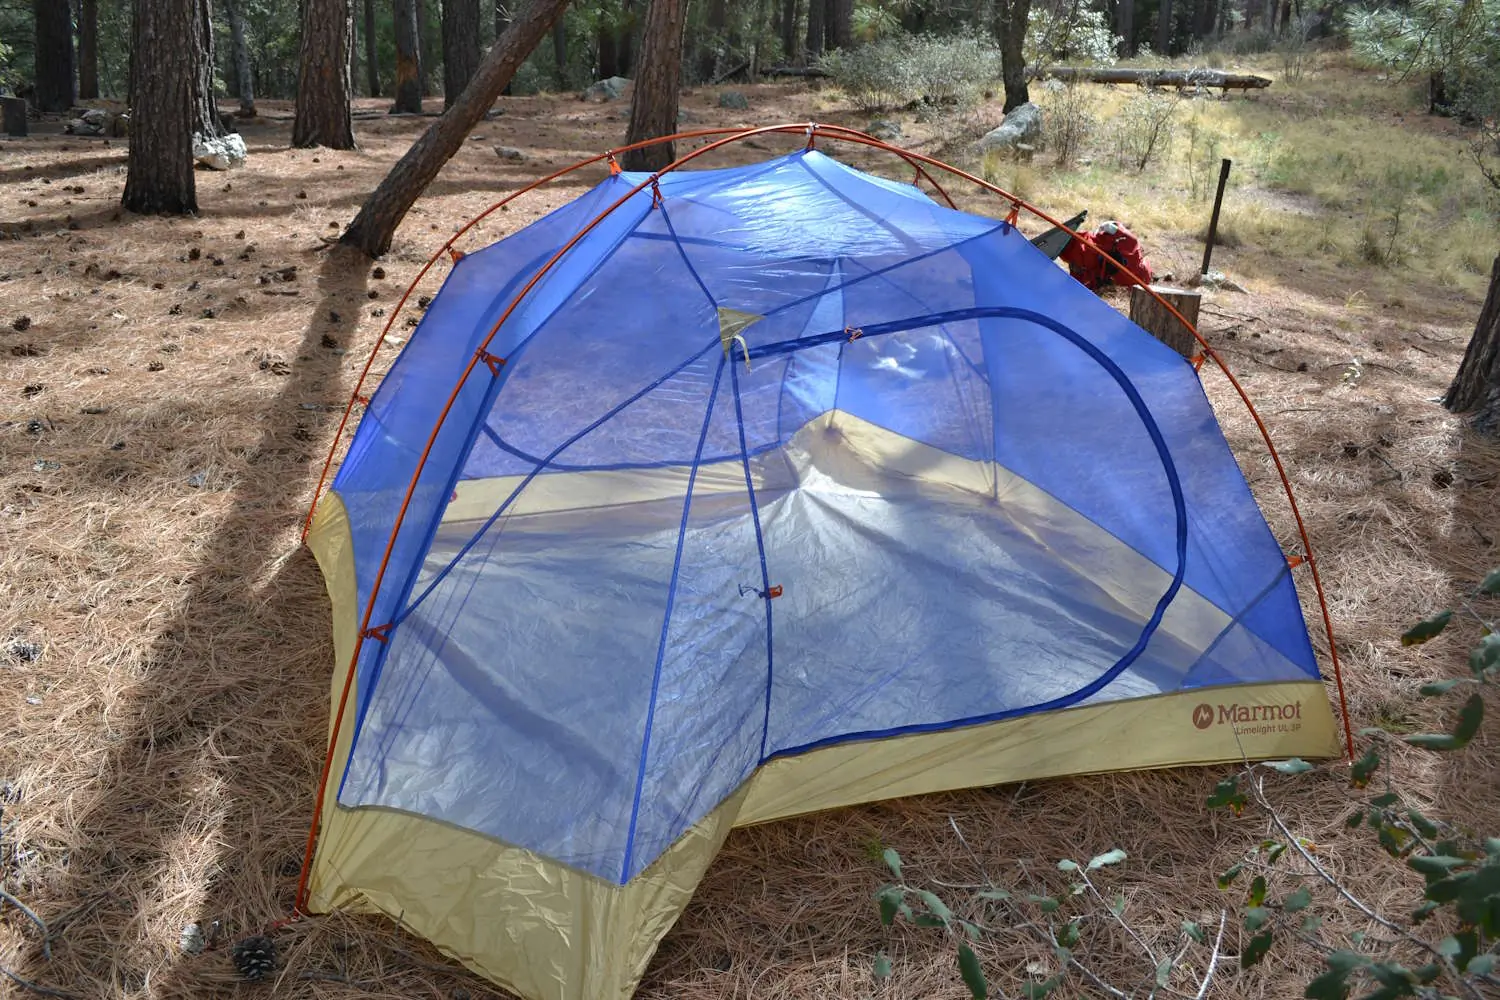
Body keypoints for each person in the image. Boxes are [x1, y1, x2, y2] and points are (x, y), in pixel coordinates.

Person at [1059, 220, 1154, 292]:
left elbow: (1130, 241)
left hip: (1088, 256)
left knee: (1082, 254)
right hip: (1090, 255)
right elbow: (1130, 241)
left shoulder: (1133, 266)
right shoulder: (1132, 256)